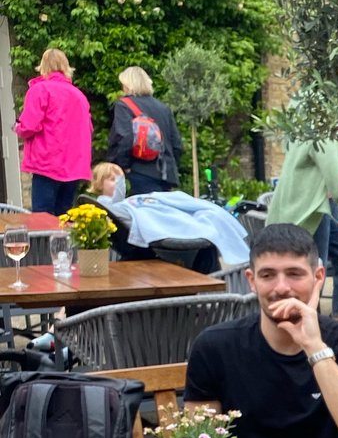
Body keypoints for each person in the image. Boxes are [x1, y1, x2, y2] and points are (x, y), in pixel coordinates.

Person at [184, 222, 338, 438]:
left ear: (318, 278)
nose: (281, 288)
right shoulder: (215, 348)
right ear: (251, 280)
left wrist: (315, 348)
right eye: (268, 275)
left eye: (294, 274)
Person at [267, 137, 338, 322]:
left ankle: (336, 326)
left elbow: (314, 151)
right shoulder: (320, 112)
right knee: (310, 273)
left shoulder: (321, 115)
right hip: (313, 203)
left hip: (325, 200)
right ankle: (299, 329)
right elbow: (329, 163)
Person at [88, 162, 248, 271]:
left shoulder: (120, 203)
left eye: (120, 179)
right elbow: (118, 206)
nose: (118, 183)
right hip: (152, 234)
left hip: (155, 222)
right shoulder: (106, 206)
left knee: (205, 228)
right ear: (99, 184)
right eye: (112, 179)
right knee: (206, 243)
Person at [12, 48, 92, 216]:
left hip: (47, 163)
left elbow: (29, 126)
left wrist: (17, 128)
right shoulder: (79, 95)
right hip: (74, 167)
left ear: (43, 66)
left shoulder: (40, 89)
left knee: (42, 221)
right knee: (64, 219)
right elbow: (87, 129)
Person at [107, 66, 183, 196]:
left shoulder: (124, 105)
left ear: (127, 85)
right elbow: (177, 145)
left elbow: (124, 138)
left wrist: (124, 166)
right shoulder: (163, 108)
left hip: (139, 171)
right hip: (165, 174)